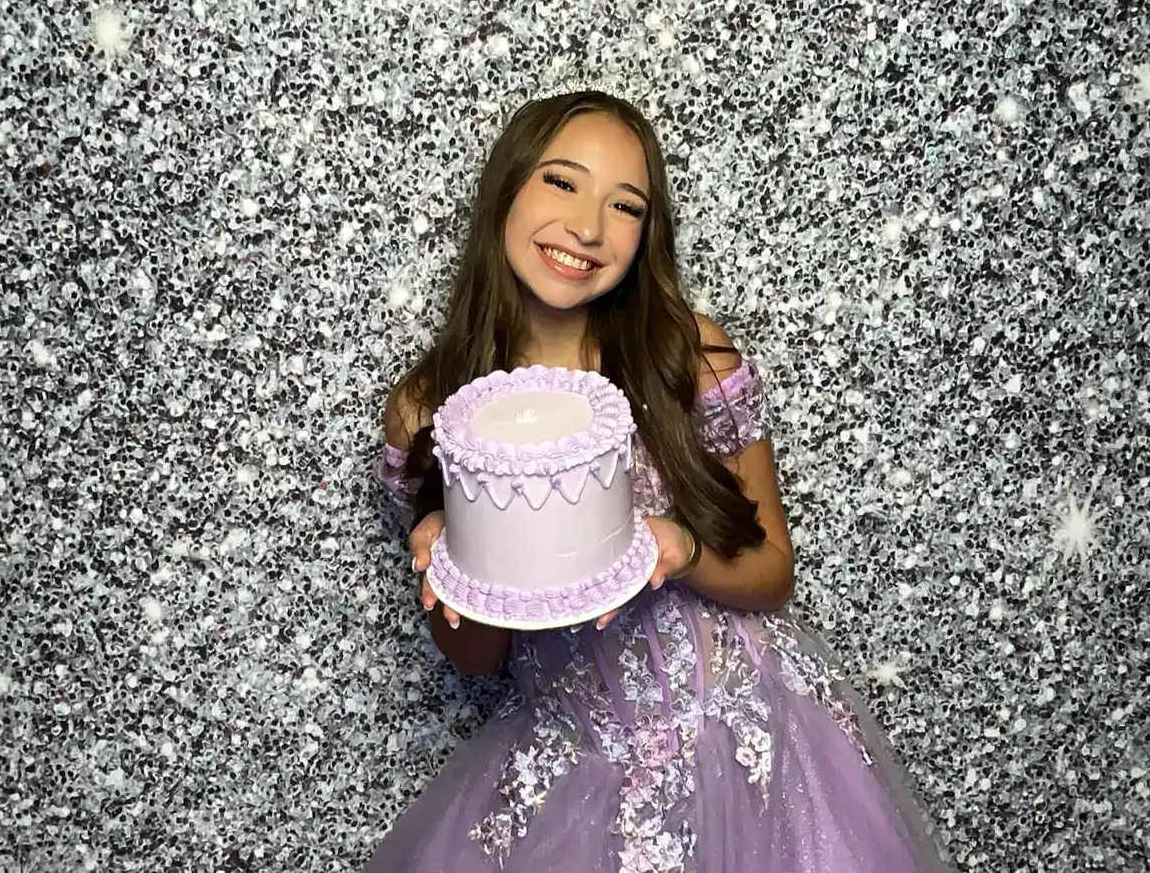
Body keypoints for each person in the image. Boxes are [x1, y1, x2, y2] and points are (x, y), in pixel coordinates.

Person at [369, 89, 954, 872]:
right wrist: (456, 560)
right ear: (506, 188)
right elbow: (473, 658)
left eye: (626, 206)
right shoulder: (431, 407)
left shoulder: (688, 357)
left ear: (647, 233)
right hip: (577, 764)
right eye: (562, 182)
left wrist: (681, 548)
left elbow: (773, 572)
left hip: (749, 748)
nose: (587, 227)